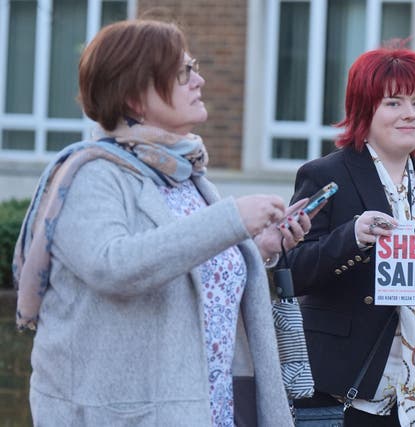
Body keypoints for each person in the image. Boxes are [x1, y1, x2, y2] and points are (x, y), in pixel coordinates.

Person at [12, 19, 309, 427]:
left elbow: (186, 268)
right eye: (183, 72)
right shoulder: (92, 174)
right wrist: (231, 219)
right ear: (135, 97)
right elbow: (112, 265)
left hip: (213, 409)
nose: (199, 81)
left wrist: (258, 247)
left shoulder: (185, 174)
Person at [286, 46, 415, 426]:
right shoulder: (324, 174)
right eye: (393, 102)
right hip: (350, 391)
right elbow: (292, 269)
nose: (410, 114)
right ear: (364, 109)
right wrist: (351, 237)